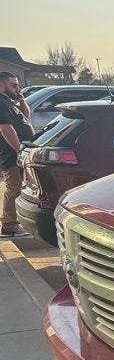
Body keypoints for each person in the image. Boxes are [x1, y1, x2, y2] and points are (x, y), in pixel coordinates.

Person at [0, 71, 34, 238]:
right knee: (14, 188)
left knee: (19, 188)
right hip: (11, 156)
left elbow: (26, 116)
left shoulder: (9, 102)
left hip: (19, 155)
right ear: (1, 86)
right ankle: (9, 226)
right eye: (13, 85)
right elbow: (6, 129)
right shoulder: (1, 103)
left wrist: (22, 100)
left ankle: (14, 223)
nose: (17, 88)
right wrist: (19, 151)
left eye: (18, 85)